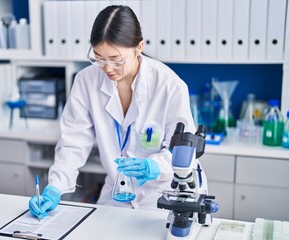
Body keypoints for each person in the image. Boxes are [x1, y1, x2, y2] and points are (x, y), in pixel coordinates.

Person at [29, 5, 207, 218]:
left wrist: (153, 166)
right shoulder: (86, 81)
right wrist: (55, 187)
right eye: (99, 58)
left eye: (116, 59)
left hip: (165, 194)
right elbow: (73, 142)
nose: (107, 68)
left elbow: (185, 154)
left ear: (138, 47)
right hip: (117, 193)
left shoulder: (169, 86)